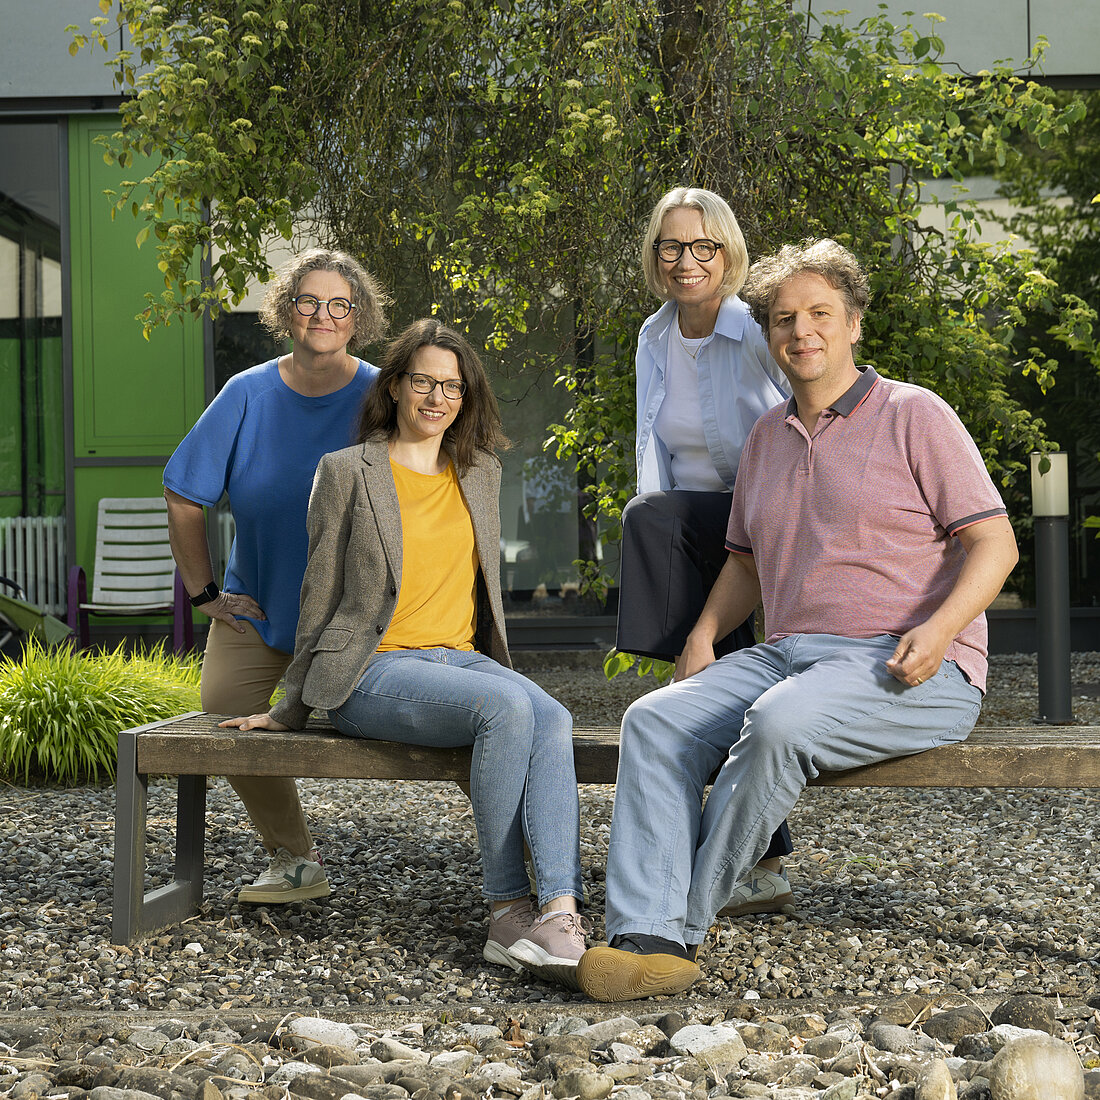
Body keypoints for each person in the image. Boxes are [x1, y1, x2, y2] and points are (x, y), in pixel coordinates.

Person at [575, 239, 1019, 1002]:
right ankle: (639, 928)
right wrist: (706, 633)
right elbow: (745, 562)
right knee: (654, 720)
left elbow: (994, 543)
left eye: (820, 314)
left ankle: (677, 929)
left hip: (914, 664)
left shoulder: (915, 415)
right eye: (785, 319)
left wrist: (942, 629)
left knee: (778, 724)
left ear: (853, 326)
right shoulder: (767, 437)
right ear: (769, 336)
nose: (801, 331)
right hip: (790, 653)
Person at [220, 318, 591, 986]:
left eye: (451, 385)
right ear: (394, 386)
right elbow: (320, 589)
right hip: (371, 669)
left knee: (554, 717)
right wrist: (290, 707)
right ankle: (507, 911)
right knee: (508, 708)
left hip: (461, 660)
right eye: (423, 380)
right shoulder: (346, 471)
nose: (436, 396)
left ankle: (560, 911)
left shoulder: (480, 472)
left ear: (466, 396)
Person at [164, 248, 390, 904]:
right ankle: (294, 860)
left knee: (443, 715)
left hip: (359, 613)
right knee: (224, 711)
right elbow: (184, 492)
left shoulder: (381, 394)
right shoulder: (246, 394)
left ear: (358, 318)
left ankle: (520, 876)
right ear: (288, 312)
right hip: (259, 608)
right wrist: (205, 593)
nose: (323, 315)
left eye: (339, 305)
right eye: (309, 302)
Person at [617, 186, 795, 916]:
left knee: (728, 681)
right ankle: (758, 857)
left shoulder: (755, 327)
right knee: (714, 682)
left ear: (727, 254)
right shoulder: (653, 335)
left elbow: (805, 405)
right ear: (655, 257)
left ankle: (754, 854)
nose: (685, 261)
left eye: (702, 247)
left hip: (763, 527)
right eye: (671, 246)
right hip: (689, 534)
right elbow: (648, 443)